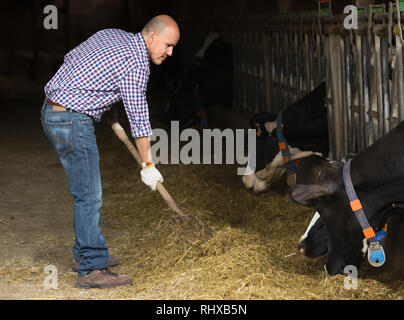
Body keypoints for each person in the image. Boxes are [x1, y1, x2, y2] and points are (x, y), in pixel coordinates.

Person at [40, 15, 180, 289]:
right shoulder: (137, 64)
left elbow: (74, 59)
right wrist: (148, 165)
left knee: (85, 191)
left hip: (53, 110)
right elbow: (139, 120)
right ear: (152, 37)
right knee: (90, 194)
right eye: (168, 45)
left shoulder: (112, 34)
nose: (170, 52)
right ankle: (92, 267)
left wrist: (101, 102)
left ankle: (84, 254)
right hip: (71, 119)